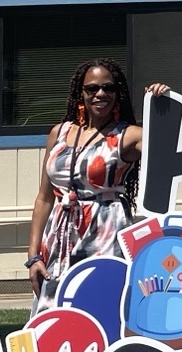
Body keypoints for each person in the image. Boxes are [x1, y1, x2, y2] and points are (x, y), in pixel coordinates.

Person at [25, 59, 168, 307]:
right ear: (80, 93)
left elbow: (167, 148)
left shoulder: (127, 135)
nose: (100, 94)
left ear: (117, 93)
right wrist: (33, 255)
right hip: (59, 238)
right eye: (92, 88)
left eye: (108, 87)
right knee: (53, 310)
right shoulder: (59, 133)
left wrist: (160, 105)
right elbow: (44, 198)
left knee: (101, 305)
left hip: (105, 233)